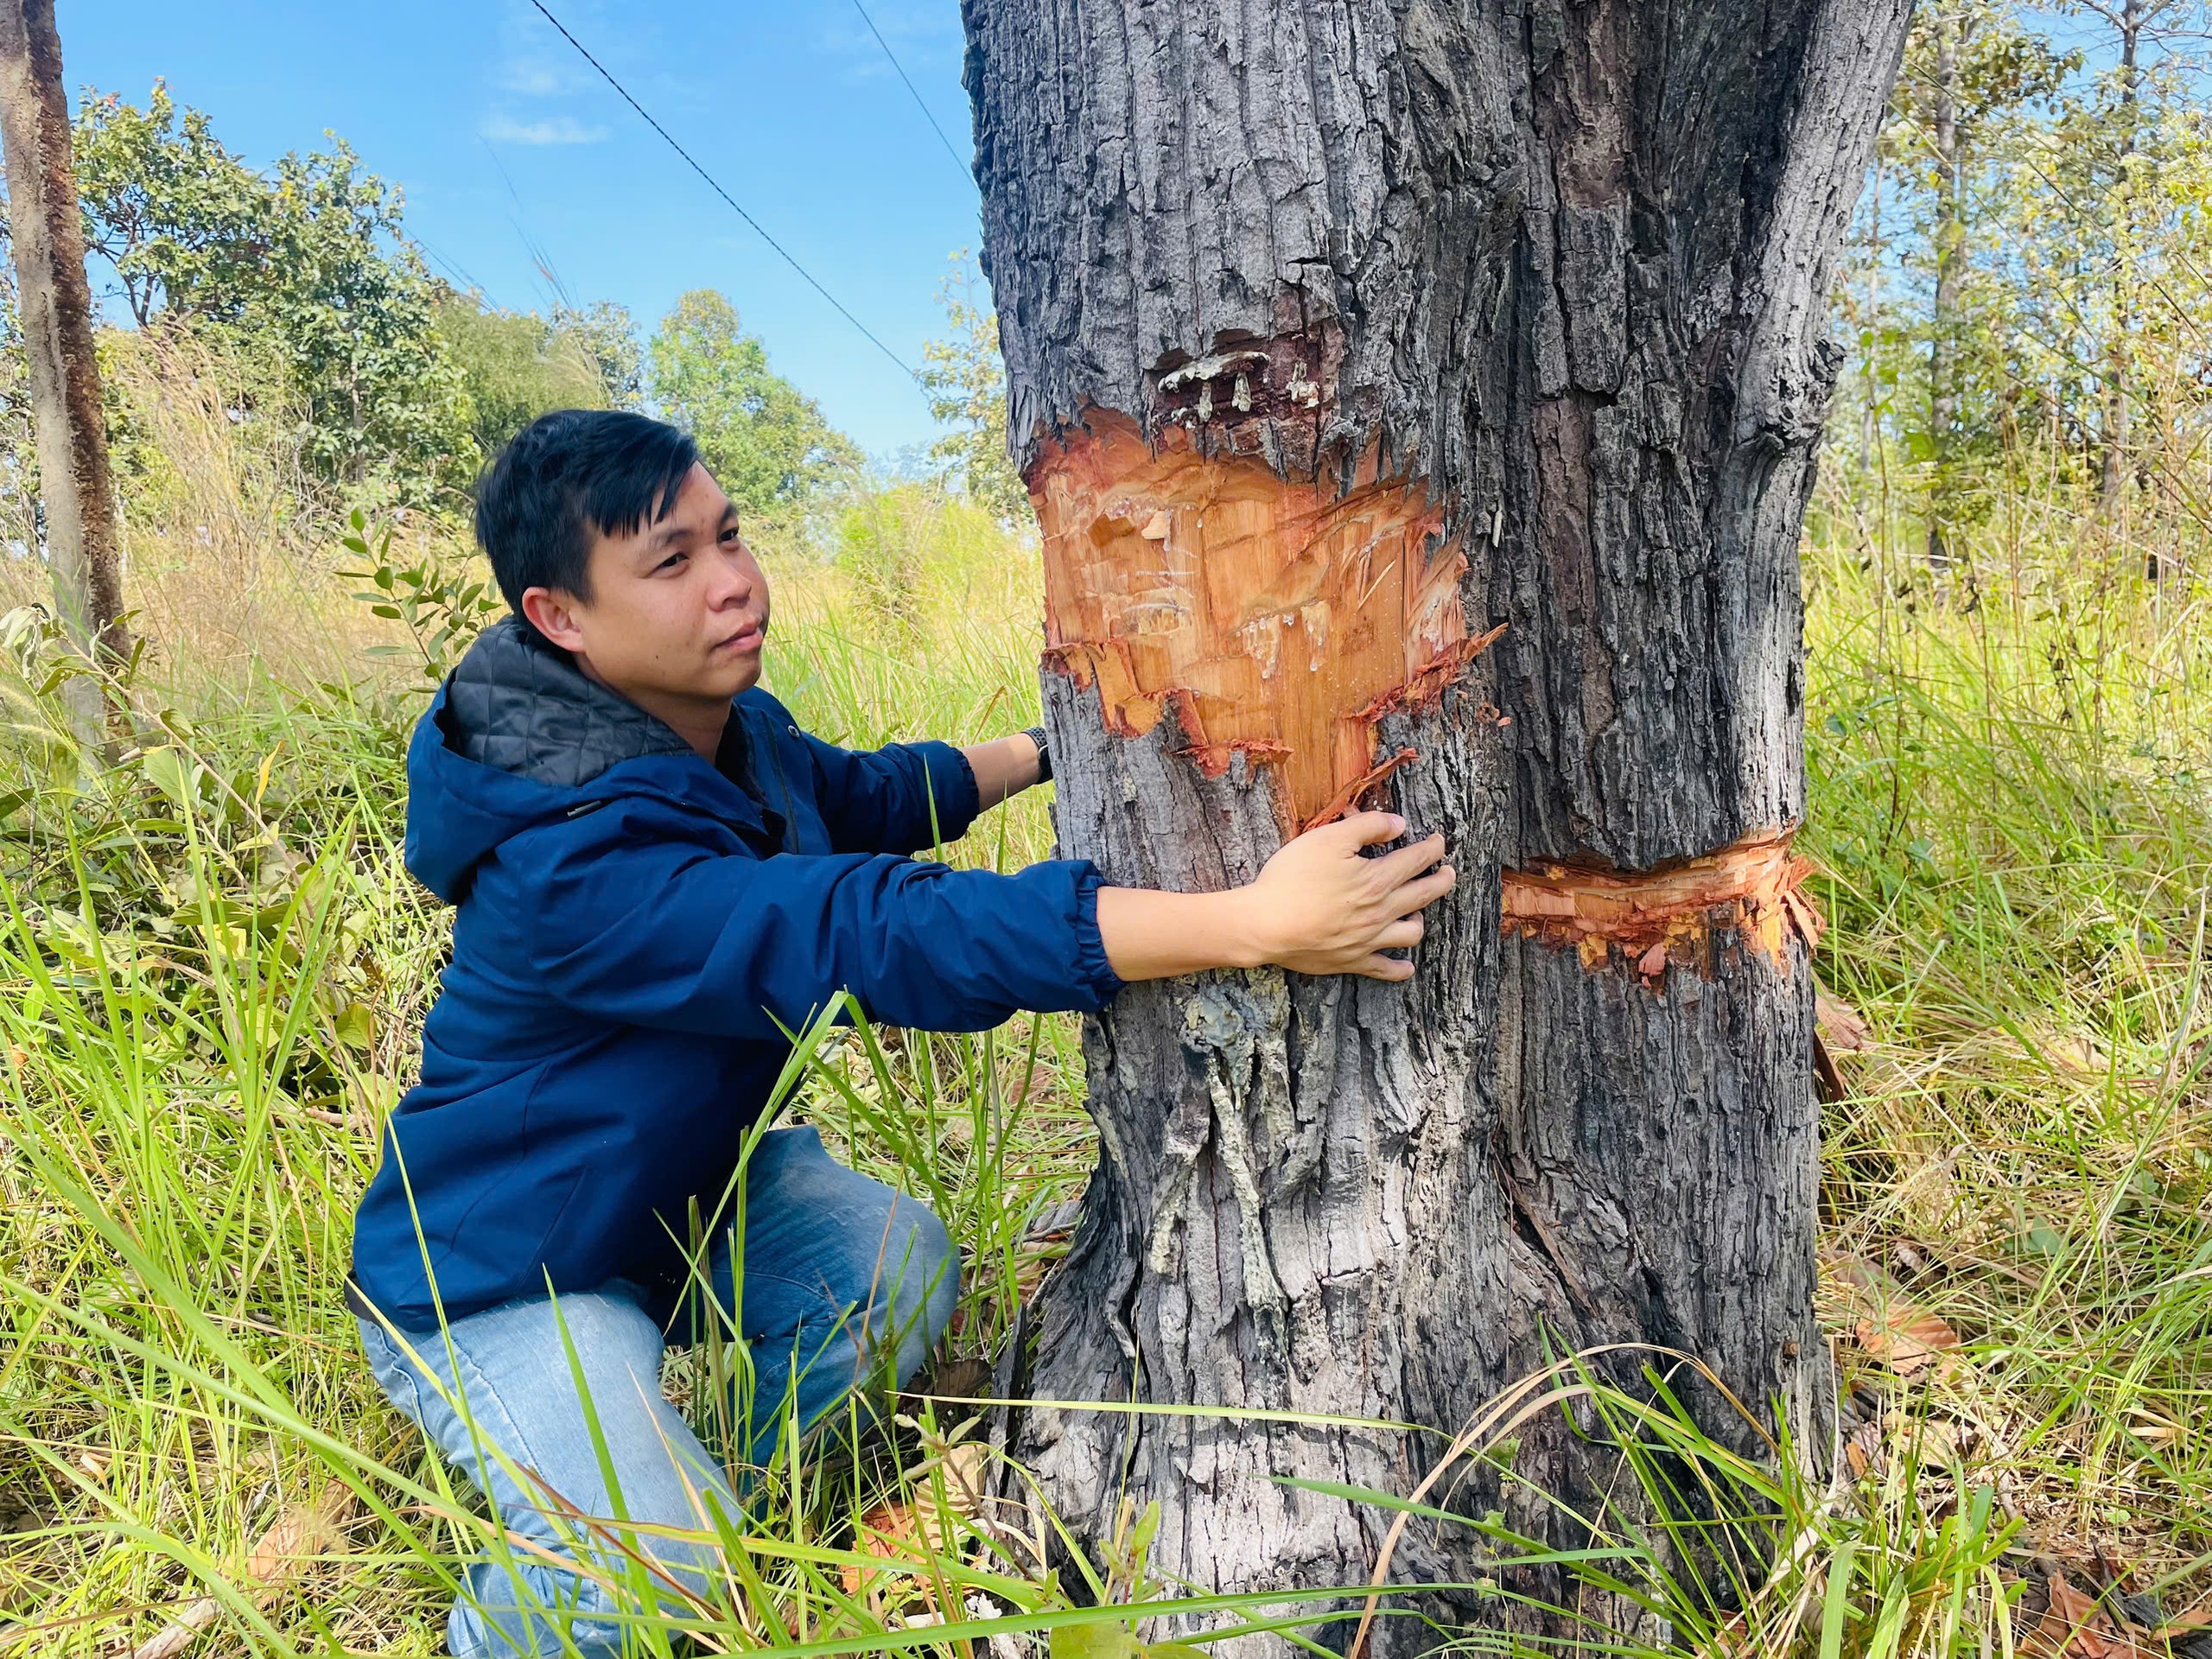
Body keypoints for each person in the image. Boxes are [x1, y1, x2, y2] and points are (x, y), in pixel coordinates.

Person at [348, 409, 1454, 1657]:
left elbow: (864, 801)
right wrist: (1248, 922)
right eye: (672, 563)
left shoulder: (713, 726)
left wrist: (1056, 749)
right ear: (561, 617)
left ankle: (728, 1519)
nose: (734, 584)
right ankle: (552, 1606)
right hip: (504, 1270)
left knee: (895, 1274)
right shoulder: (569, 861)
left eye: (732, 536)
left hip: (686, 1198)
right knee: (649, 1578)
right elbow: (868, 932)